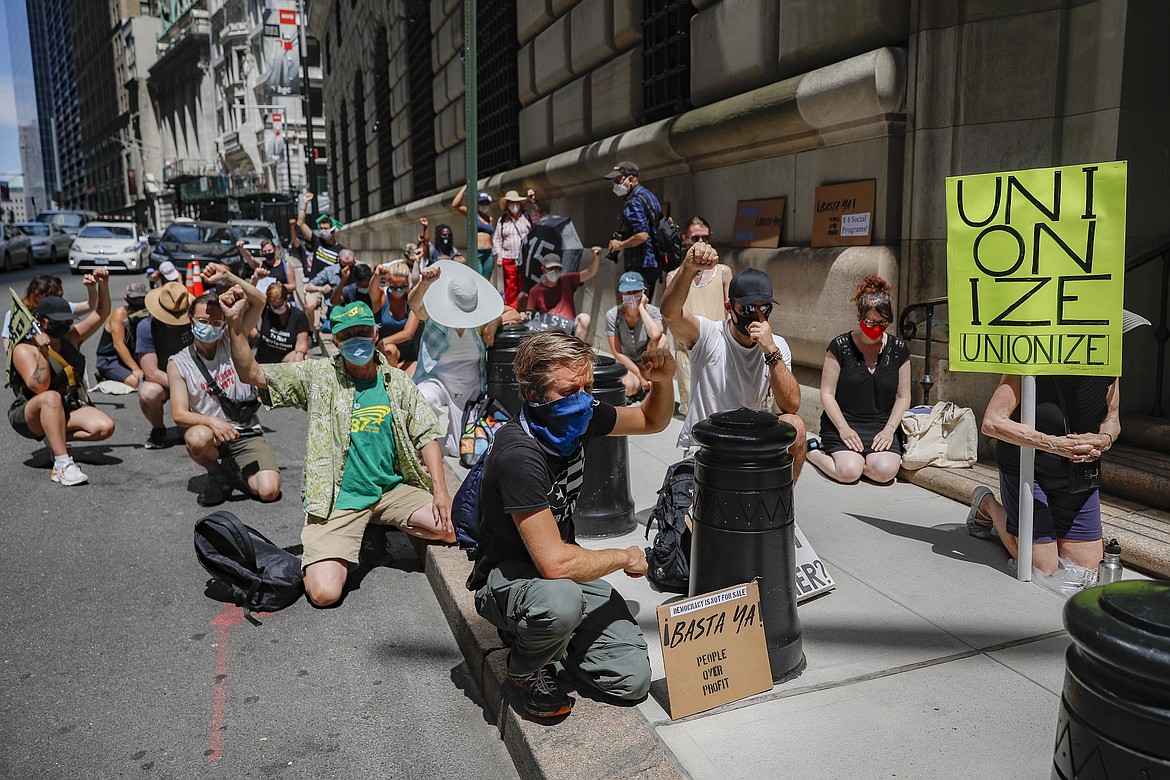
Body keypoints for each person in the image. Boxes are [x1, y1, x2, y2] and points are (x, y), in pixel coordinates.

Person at [468, 330, 676, 718]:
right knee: (562, 602)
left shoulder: (577, 414)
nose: (582, 399)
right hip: (510, 578)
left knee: (631, 682)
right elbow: (555, 565)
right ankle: (526, 667)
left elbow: (651, 419)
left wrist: (664, 380)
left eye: (587, 387)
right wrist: (624, 556)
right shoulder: (519, 454)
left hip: (562, 577)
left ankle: (552, 644)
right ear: (532, 394)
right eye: (568, 390)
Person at [220, 290, 456, 607]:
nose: (356, 340)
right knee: (323, 594)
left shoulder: (396, 381)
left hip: (390, 489)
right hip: (338, 498)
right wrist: (235, 324)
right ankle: (354, 535)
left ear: (375, 334)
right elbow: (253, 373)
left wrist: (440, 490)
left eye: (362, 332)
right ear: (336, 341)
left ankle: (374, 525)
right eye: (347, 335)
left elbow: (427, 433)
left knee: (450, 530)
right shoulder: (320, 376)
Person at [661, 242, 807, 477]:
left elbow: (791, 405)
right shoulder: (709, 335)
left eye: (765, 308)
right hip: (708, 443)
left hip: (750, 439)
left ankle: (780, 505)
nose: (757, 316)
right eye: (748, 307)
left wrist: (771, 353)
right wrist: (688, 269)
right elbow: (670, 313)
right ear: (730, 308)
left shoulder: (776, 346)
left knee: (797, 426)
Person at [169, 289, 281, 507]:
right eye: (202, 320)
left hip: (245, 430)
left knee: (269, 491)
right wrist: (212, 421)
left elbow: (259, 301)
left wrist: (228, 277)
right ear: (190, 320)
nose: (209, 327)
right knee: (196, 438)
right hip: (213, 433)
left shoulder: (232, 339)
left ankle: (234, 468)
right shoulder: (178, 362)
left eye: (216, 322)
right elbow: (178, 413)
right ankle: (215, 472)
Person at [7, 271, 114, 486]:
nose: (65, 325)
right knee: (51, 397)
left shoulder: (71, 337)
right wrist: (44, 353)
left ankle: (54, 436)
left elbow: (100, 313)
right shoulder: (24, 350)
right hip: (31, 412)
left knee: (104, 426)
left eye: (67, 321)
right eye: (59, 321)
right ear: (43, 322)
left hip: (65, 407)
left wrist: (103, 285)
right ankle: (62, 464)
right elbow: (40, 387)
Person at [806, 276, 911, 484]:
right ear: (858, 316)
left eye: (883, 323)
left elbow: (903, 395)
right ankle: (813, 452)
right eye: (871, 322)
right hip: (843, 421)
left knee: (884, 472)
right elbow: (827, 393)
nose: (876, 328)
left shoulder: (898, 349)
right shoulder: (840, 346)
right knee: (849, 472)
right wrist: (843, 428)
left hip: (881, 424)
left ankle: (862, 459)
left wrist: (890, 430)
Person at [409, 261, 503, 457]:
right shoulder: (435, 314)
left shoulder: (479, 315)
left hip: (470, 386)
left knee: (457, 450)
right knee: (424, 397)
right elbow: (415, 306)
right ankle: (422, 450)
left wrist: (492, 325)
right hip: (438, 380)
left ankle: (442, 442)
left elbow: (502, 312)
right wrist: (424, 284)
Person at [663, 217, 731, 415]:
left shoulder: (724, 272)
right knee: (692, 408)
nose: (701, 242)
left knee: (719, 404)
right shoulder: (673, 276)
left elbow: (730, 311)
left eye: (705, 238)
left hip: (717, 348)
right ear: (685, 239)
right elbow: (671, 312)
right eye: (695, 238)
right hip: (687, 348)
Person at [136, 281, 195, 449]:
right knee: (148, 392)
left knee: (191, 438)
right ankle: (158, 428)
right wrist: (184, 386)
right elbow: (151, 372)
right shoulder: (146, 327)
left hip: (193, 379)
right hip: (165, 381)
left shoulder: (194, 322)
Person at [605, 161, 663, 300]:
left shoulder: (635, 200)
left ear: (630, 179)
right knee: (643, 306)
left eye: (618, 179)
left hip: (641, 264)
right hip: (651, 263)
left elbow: (642, 235)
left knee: (636, 307)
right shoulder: (647, 195)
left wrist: (620, 244)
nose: (615, 184)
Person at [604, 271, 667, 399]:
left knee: (662, 340)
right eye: (628, 293)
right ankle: (640, 386)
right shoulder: (613, 315)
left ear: (643, 291)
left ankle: (654, 380)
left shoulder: (653, 311)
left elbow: (655, 334)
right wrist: (640, 375)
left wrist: (642, 308)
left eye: (635, 292)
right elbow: (617, 352)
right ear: (622, 293)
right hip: (628, 363)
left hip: (648, 362)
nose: (632, 296)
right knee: (628, 387)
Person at [525, 248, 602, 341]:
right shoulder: (535, 291)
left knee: (584, 318)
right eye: (551, 268)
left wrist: (597, 257)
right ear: (543, 269)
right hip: (547, 332)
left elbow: (590, 272)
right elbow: (531, 317)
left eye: (557, 268)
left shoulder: (567, 280)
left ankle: (577, 350)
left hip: (569, 328)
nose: (554, 271)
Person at [3, 274, 93, 353]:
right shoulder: (15, 314)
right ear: (42, 296)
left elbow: (90, 306)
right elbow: (8, 344)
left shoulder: (60, 309)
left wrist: (91, 288)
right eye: (59, 296)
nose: (61, 300)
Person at [492, 189, 543, 308]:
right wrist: (499, 255)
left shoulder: (527, 217)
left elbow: (541, 216)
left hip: (525, 258)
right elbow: (497, 239)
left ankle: (525, 309)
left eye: (516, 203)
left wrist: (534, 201)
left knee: (525, 285)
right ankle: (512, 310)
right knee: (510, 287)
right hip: (508, 258)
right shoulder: (503, 220)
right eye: (510, 203)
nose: (514, 206)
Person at [94, 281, 150, 388]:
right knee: (137, 382)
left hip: (133, 355)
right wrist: (136, 369)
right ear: (126, 299)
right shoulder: (120, 314)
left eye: (141, 298)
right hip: (110, 359)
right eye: (135, 299)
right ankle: (108, 374)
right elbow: (118, 345)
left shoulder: (146, 311)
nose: (138, 302)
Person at [369, 261, 421, 370]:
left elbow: (408, 333)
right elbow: (372, 291)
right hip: (385, 352)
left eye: (403, 287)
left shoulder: (412, 300)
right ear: (388, 282)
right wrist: (377, 275)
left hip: (408, 354)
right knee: (390, 350)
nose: (398, 290)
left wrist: (383, 341)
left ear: (408, 283)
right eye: (394, 287)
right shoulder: (382, 298)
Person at [254, 282, 311, 363]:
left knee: (305, 358)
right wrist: (255, 279)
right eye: (273, 306)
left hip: (285, 359)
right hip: (263, 358)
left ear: (287, 298)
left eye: (279, 306)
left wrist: (299, 359)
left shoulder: (299, 316)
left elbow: (301, 344)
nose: (276, 309)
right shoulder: (266, 309)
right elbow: (250, 298)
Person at [304, 247, 357, 334]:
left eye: (350, 264)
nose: (347, 268)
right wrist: (321, 288)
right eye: (344, 264)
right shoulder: (329, 271)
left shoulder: (357, 271)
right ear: (339, 261)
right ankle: (311, 332)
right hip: (334, 306)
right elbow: (309, 286)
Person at [295, 192, 346, 278]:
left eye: (325, 229)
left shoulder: (341, 250)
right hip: (315, 284)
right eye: (321, 228)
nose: (323, 231)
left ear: (333, 230)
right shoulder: (317, 241)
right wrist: (304, 203)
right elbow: (300, 223)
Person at [451, 185, 496, 280]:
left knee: (487, 280)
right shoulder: (472, 215)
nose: (484, 205)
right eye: (481, 203)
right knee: (478, 278)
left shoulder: (489, 218)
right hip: (477, 252)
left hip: (488, 252)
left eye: (486, 203)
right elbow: (455, 204)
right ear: (477, 204)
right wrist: (465, 187)